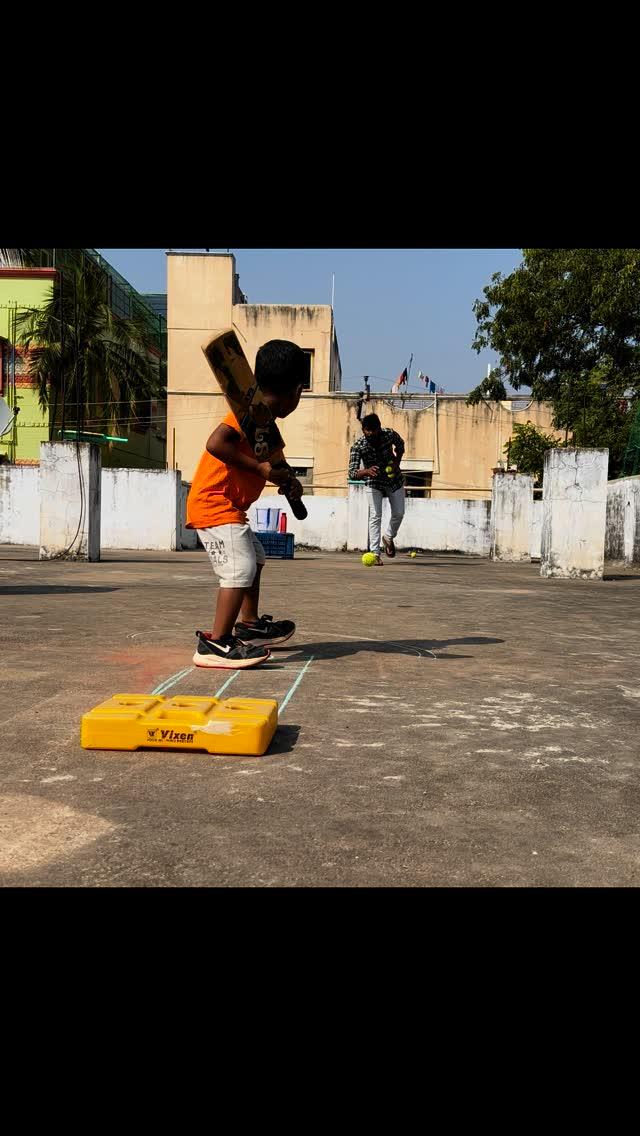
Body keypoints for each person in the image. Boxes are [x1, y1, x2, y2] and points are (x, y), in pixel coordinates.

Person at [186, 340, 306, 669]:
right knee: (239, 569)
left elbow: (271, 464)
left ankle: (249, 622)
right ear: (296, 391)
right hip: (214, 503)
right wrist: (260, 469)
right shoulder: (245, 414)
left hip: (229, 507)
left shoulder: (264, 425)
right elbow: (215, 444)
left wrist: (285, 480)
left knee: (256, 557)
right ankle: (215, 643)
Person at [348, 413, 405, 565]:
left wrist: (396, 463)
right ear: (363, 429)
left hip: (394, 479)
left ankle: (388, 537)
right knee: (375, 516)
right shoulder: (358, 446)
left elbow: (401, 445)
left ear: (379, 428)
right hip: (373, 483)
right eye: (368, 430)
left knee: (399, 513)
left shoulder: (389, 434)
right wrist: (366, 471)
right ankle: (375, 554)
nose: (371, 434)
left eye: (374, 430)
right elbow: (352, 472)